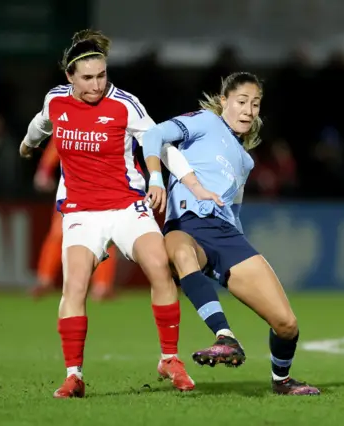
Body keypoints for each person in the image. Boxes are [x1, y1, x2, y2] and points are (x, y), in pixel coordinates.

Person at [19, 29, 216, 398]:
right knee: (75, 285)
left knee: (159, 267)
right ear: (70, 78)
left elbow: (159, 143)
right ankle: (74, 375)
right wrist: (28, 144)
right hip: (80, 210)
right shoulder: (56, 101)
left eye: (103, 75)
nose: (97, 85)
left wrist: (188, 183)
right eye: (88, 78)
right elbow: (41, 124)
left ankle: (169, 358)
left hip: (127, 206)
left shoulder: (125, 104)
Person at [142, 72, 321, 396]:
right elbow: (154, 134)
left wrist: (238, 250)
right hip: (187, 225)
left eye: (255, 104)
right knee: (179, 252)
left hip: (226, 235)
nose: (248, 110)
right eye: (242, 101)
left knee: (287, 324)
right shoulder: (205, 122)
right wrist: (156, 178)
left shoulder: (245, 161)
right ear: (224, 100)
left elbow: (233, 210)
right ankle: (225, 336)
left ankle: (282, 380)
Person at [31, 141, 117, 302]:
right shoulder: (71, 121)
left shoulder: (107, 123)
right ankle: (45, 279)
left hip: (101, 187)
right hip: (72, 187)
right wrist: (45, 170)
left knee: (105, 235)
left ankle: (102, 286)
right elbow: (57, 143)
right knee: (59, 232)